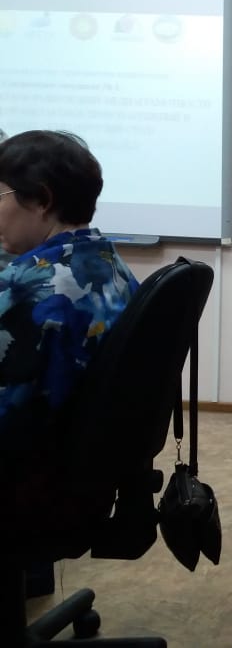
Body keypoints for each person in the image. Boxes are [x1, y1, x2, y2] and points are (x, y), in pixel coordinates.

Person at [1, 130, 139, 540]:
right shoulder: (109, 265)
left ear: (42, 200)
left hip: (28, 484)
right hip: (78, 479)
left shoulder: (28, 290)